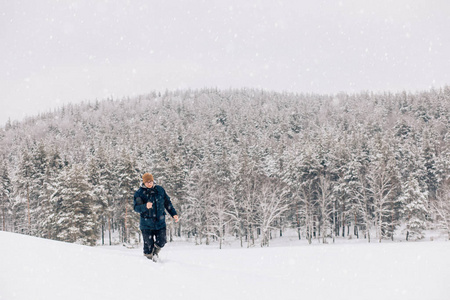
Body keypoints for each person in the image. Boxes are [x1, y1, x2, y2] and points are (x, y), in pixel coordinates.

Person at [133, 173, 179, 261]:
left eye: (150, 181)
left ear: (153, 181)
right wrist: (145, 206)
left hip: (160, 222)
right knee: (148, 246)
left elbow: (167, 203)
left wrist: (174, 214)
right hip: (146, 224)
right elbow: (136, 208)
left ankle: (155, 254)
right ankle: (149, 263)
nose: (149, 183)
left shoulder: (160, 190)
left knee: (162, 241)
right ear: (143, 183)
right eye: (147, 182)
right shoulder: (139, 193)